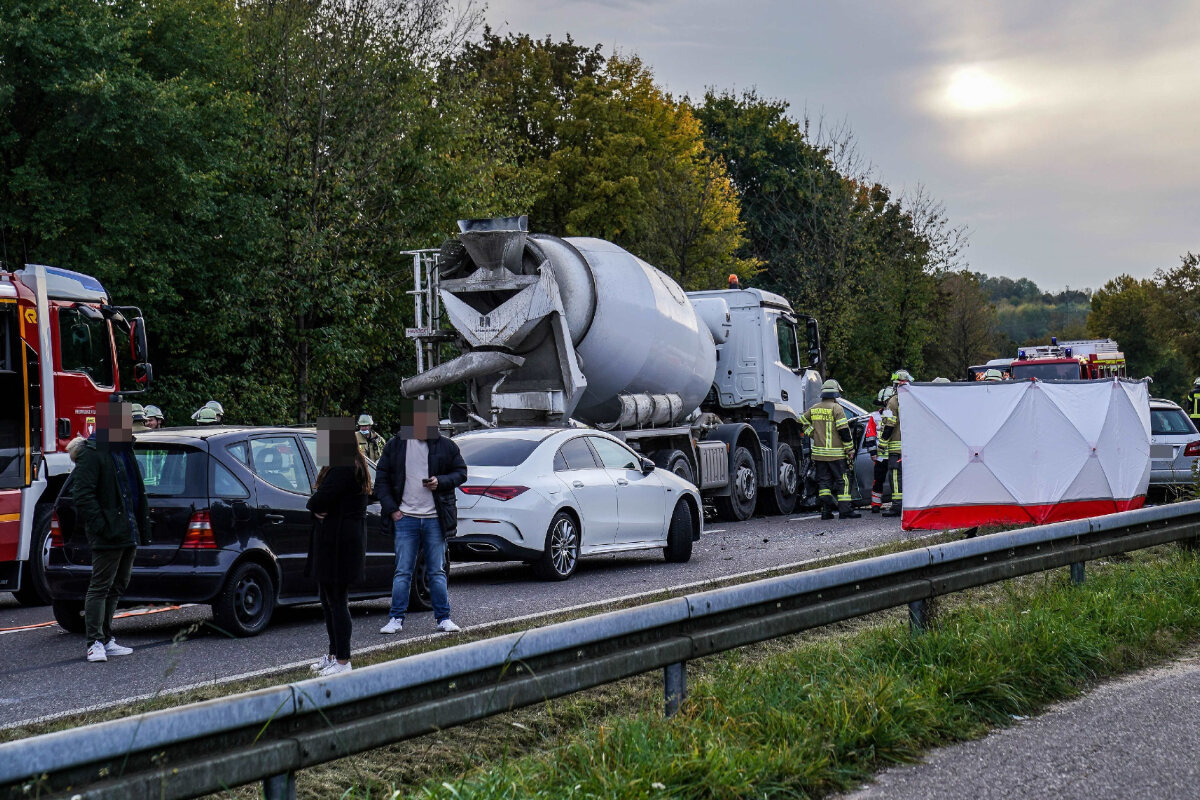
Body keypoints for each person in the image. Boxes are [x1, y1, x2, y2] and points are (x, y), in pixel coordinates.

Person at [375, 398, 467, 634]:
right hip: (405, 517)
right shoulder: (396, 445)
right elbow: (381, 479)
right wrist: (392, 509)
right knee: (403, 570)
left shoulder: (445, 446)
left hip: (435, 518)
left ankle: (443, 618)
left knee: (436, 570)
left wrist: (440, 481)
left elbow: (461, 472)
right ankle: (395, 618)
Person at [69, 399, 150, 663]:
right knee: (100, 585)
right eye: (122, 421)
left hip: (127, 528)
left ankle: (105, 637)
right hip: (110, 530)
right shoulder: (93, 453)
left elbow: (133, 489)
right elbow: (82, 495)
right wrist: (101, 525)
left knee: (119, 584)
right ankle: (94, 642)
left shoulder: (123, 450)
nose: (127, 426)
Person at [305, 417, 370, 677]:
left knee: (337, 601)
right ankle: (333, 654)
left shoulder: (343, 467)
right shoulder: (346, 464)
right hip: (335, 540)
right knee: (328, 599)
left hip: (340, 543)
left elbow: (317, 501)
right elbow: (320, 504)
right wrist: (320, 508)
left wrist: (319, 508)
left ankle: (343, 660)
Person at [799, 379, 861, 521]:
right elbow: (844, 430)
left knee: (824, 482)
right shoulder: (836, 408)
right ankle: (844, 511)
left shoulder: (814, 408)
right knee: (843, 481)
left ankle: (826, 512)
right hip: (836, 454)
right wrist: (850, 449)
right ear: (835, 393)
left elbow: (801, 420)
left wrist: (812, 433)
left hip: (819, 455)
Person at [880, 370, 913, 518]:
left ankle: (897, 506)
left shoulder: (893, 401)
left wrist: (882, 443)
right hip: (912, 446)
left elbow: (889, 425)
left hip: (897, 447)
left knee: (895, 476)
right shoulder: (915, 398)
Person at [870, 386, 894, 513]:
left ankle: (896, 504)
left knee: (894, 480)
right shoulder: (874, 417)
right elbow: (870, 436)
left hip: (893, 453)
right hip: (880, 456)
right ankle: (875, 504)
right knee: (878, 480)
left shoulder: (895, 414)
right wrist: (873, 452)